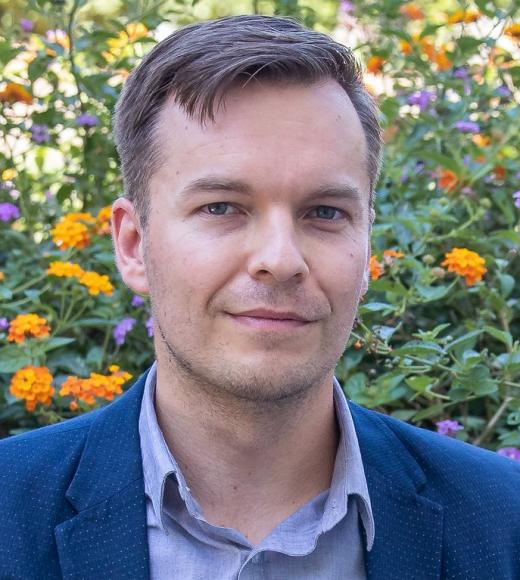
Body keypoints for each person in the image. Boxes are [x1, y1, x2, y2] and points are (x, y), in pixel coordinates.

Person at [0, 14, 519, 580]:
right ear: (133, 245)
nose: (281, 259)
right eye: (221, 207)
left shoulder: (504, 520)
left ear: (368, 242)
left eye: (325, 212)